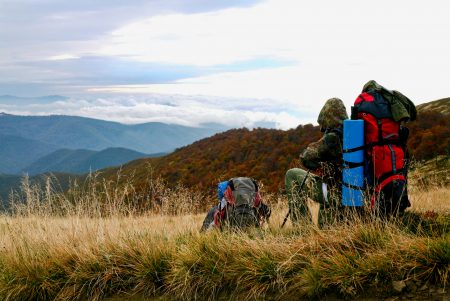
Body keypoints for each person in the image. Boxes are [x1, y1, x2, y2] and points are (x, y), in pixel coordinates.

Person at [285, 98, 348, 226]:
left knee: (292, 174)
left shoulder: (333, 137)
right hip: (356, 193)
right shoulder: (357, 133)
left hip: (336, 194)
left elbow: (306, 157)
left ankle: (302, 228)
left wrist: (318, 166)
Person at [201, 177, 271, 231]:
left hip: (231, 228)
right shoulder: (252, 191)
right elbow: (263, 209)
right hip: (253, 229)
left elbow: (219, 214)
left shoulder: (226, 191)